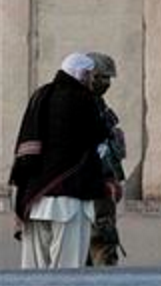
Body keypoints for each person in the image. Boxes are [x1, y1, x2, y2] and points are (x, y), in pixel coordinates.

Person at [9, 53, 113, 269]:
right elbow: (97, 136)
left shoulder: (41, 94)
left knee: (33, 273)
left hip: (35, 199)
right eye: (95, 77)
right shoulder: (82, 99)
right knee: (68, 271)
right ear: (84, 75)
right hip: (70, 200)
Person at [85, 52, 126, 267]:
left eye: (108, 78)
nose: (106, 83)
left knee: (105, 241)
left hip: (104, 186)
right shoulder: (80, 105)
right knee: (97, 241)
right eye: (101, 78)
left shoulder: (99, 104)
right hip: (91, 186)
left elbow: (110, 149)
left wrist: (114, 179)